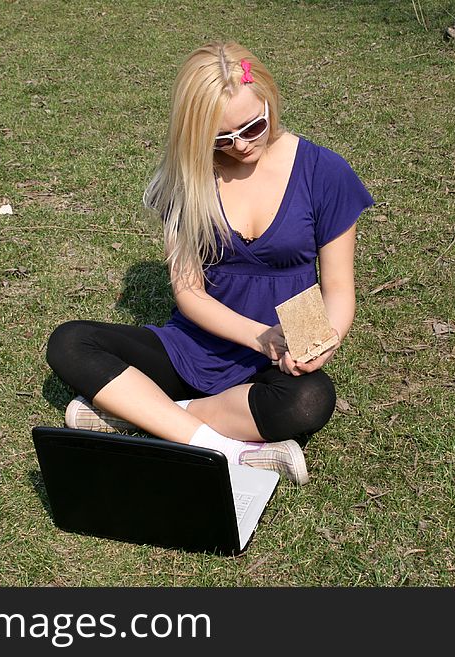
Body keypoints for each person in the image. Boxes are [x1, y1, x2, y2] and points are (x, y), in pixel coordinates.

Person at [47, 41, 373, 485]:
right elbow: (189, 294)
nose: (239, 146)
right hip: (193, 349)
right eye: (221, 138)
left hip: (273, 365)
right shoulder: (188, 177)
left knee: (309, 400)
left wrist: (322, 341)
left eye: (252, 127)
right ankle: (223, 447)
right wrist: (261, 338)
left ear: (268, 98)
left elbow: (338, 290)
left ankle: (150, 415)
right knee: (70, 342)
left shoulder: (325, 172)